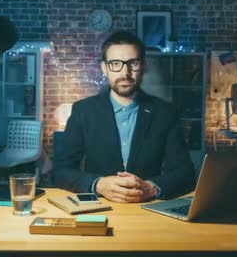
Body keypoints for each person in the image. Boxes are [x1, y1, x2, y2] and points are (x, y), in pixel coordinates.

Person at [54, 31, 196, 203]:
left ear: (143, 66)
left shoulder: (165, 113)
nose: (125, 72)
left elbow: (186, 174)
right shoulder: (83, 111)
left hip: (148, 210)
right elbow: (61, 171)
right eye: (115, 63)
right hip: (98, 207)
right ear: (104, 68)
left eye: (133, 63)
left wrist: (151, 187)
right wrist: (98, 184)